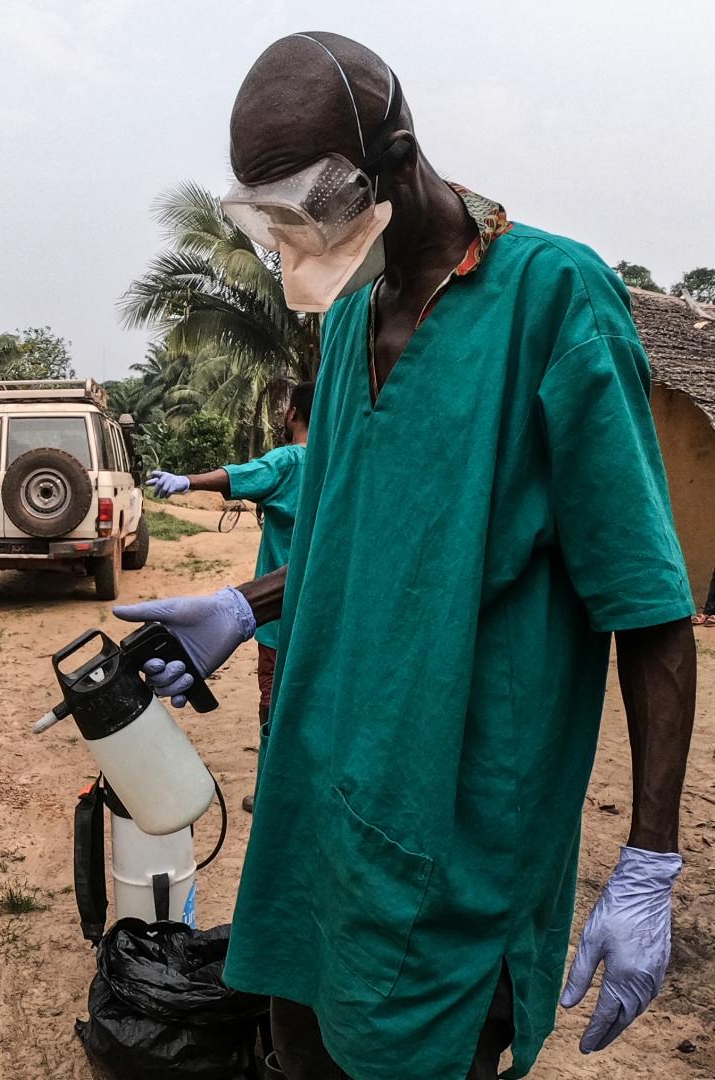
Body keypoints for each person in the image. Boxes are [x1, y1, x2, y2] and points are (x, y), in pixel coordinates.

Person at [115, 34, 697, 1080]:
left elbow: (646, 606)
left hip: (460, 825)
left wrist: (648, 857)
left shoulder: (552, 301)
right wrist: (243, 605)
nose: (299, 236)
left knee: (416, 1050)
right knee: (298, 1043)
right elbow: (355, 541)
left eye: (312, 202)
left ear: (393, 151)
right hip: (319, 807)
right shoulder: (348, 325)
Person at [146, 383, 312, 812]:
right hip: (325, 608)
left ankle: (273, 793)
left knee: (273, 697)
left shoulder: (291, 458)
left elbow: (239, 475)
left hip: (276, 612)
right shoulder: (343, 459)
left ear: (294, 413)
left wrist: (186, 481)